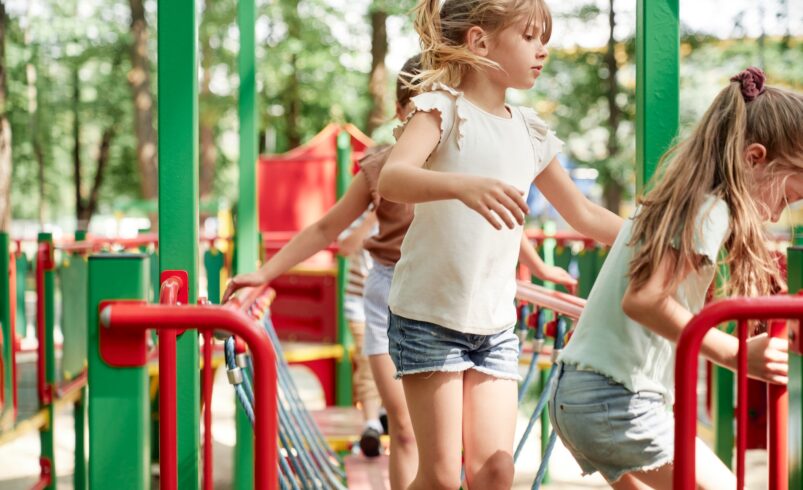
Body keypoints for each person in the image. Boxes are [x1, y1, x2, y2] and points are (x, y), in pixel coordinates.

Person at [224, 54, 577, 487]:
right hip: (398, 295)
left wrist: (537, 264)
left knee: (478, 461)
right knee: (407, 432)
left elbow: (499, 218)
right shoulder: (386, 166)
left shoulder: (472, 145)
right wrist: (265, 272)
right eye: (417, 107)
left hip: (464, 300)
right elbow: (327, 226)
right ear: (402, 113)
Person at [376, 2, 622, 489]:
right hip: (429, 318)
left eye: (543, 38)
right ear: (480, 42)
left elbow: (584, 214)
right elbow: (393, 178)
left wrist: (661, 238)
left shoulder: (529, 130)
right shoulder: (441, 108)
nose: (543, 50)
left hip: (494, 326)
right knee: (443, 477)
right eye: (530, 37)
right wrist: (462, 185)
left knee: (495, 471)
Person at [549, 67, 802, 489]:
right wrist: (735, 353)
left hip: (580, 393)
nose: (777, 215)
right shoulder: (709, 210)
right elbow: (644, 299)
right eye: (788, 196)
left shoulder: (682, 197)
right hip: (614, 400)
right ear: (754, 158)